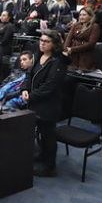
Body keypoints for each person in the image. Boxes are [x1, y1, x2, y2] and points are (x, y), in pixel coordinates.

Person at [21, 30, 68, 177]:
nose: (42, 43)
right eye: (41, 40)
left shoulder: (58, 61)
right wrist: (24, 89)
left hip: (48, 105)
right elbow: (29, 75)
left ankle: (50, 167)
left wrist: (31, 96)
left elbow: (50, 86)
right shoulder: (39, 55)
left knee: (48, 136)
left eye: (46, 41)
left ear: (54, 44)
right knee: (40, 133)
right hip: (35, 101)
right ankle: (42, 155)